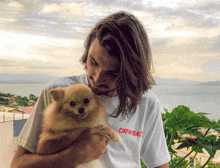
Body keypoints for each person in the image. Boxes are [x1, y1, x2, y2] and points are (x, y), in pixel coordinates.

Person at [11, 11, 171, 168]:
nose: (97, 78)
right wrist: (71, 156)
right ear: (87, 52)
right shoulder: (59, 94)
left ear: (132, 73)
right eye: (93, 61)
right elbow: (18, 164)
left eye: (113, 73)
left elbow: (159, 164)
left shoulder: (145, 103)